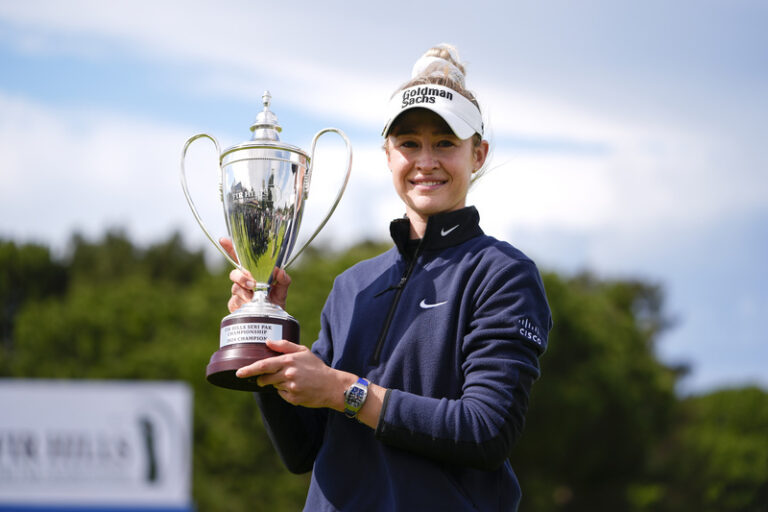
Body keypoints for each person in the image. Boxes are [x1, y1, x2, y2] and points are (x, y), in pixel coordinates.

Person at [222, 43, 552, 511]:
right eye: (409, 143)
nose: (426, 161)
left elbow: (486, 431)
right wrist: (270, 336)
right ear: (387, 153)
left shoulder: (502, 274)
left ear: (478, 155)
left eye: (445, 143)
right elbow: (302, 451)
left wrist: (343, 390)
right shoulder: (352, 285)